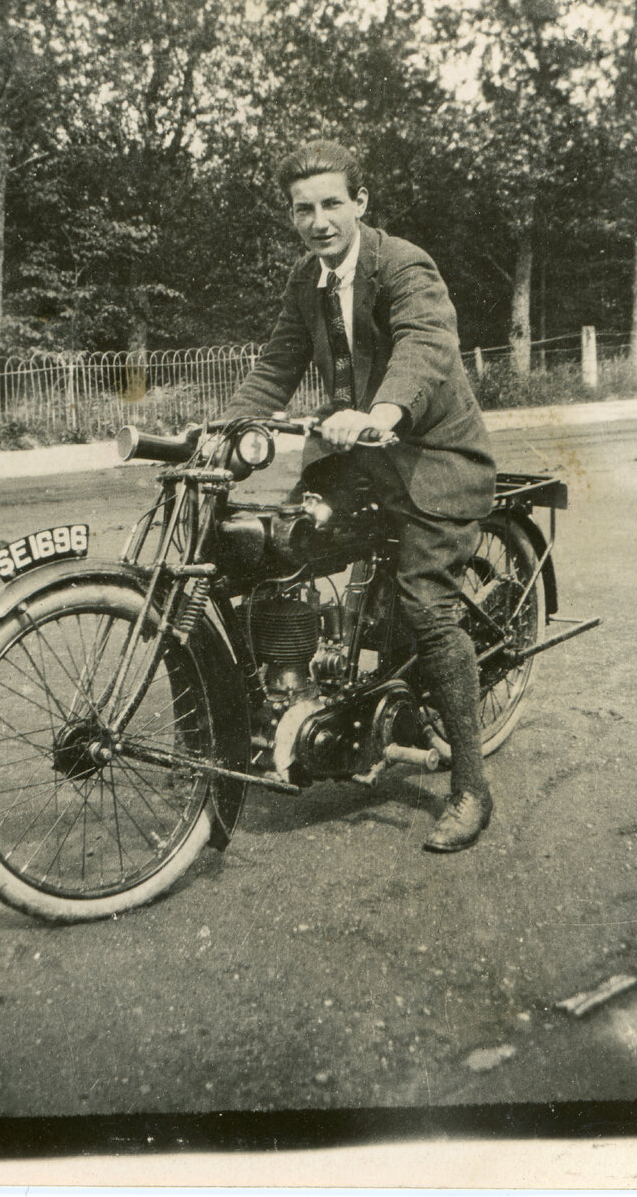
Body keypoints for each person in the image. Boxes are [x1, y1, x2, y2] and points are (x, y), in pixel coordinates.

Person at [222, 139, 497, 852]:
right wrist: (223, 433)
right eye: (303, 209)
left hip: (431, 457)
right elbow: (277, 364)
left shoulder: (401, 264)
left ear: (361, 203)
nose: (318, 221)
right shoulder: (305, 281)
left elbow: (423, 349)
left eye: (331, 204)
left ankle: (469, 786)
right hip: (356, 458)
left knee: (426, 605)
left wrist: (384, 413)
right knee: (275, 544)